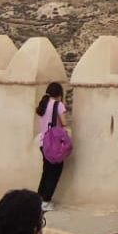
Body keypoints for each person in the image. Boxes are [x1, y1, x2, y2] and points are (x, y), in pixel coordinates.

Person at [36, 83, 69, 212]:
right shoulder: (58, 105)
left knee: (46, 171)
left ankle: (39, 198)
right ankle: (46, 200)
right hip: (54, 144)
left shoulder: (43, 104)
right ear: (59, 93)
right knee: (55, 172)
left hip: (43, 142)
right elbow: (64, 122)